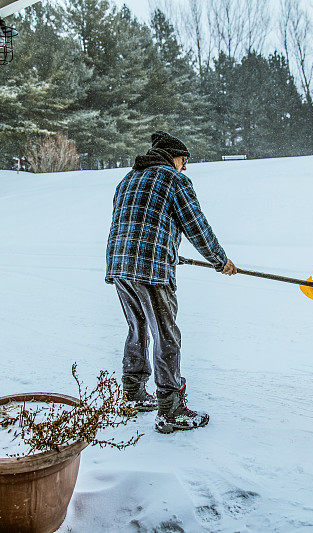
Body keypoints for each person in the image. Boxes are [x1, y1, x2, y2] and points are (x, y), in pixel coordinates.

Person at [106, 131, 237, 434]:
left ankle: (133, 394)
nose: (185, 167)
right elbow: (196, 225)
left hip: (120, 266)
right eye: (183, 160)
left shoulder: (127, 179)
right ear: (170, 156)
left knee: (137, 328)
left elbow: (134, 223)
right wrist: (220, 260)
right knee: (166, 335)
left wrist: (165, 250)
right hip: (150, 270)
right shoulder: (174, 180)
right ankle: (170, 409)